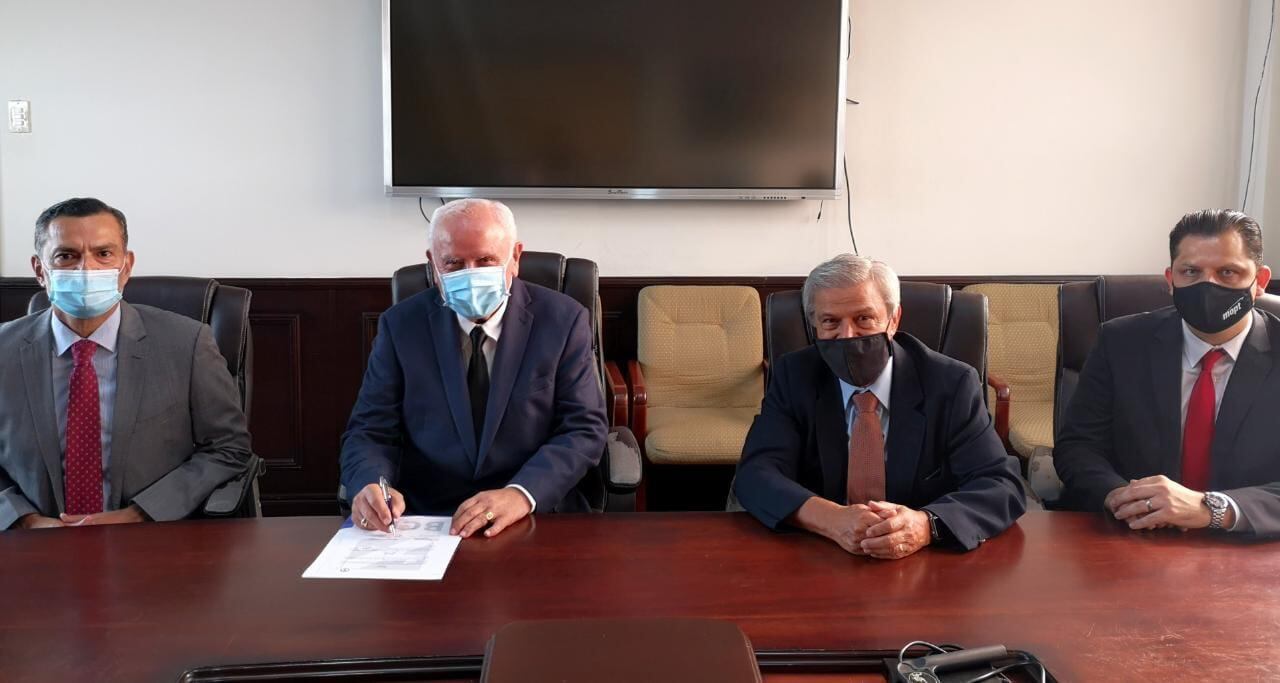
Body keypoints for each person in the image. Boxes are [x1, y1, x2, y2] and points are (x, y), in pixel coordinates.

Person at [340, 198, 607, 539]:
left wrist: (521, 494)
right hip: (428, 518)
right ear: (433, 264)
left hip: (532, 512)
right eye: (453, 264)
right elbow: (370, 429)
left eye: (485, 261)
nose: (470, 275)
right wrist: (370, 484)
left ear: (515, 257)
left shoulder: (563, 320)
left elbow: (583, 428)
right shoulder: (401, 325)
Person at [733, 254, 1025, 559]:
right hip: (819, 552)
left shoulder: (951, 384)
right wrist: (830, 519)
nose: (847, 336)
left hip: (924, 561)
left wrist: (926, 525)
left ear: (893, 319)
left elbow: (1000, 485)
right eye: (830, 321)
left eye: (863, 318)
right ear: (814, 325)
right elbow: (756, 473)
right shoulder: (794, 376)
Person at [0, 197, 253, 530]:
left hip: (149, 536)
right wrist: (25, 521)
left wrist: (139, 515)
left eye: (103, 253)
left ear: (127, 265)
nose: (86, 270)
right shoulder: (5, 350)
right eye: (66, 256)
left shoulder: (186, 343)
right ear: (39, 270)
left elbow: (228, 448)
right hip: (32, 541)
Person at [1055, 209, 1280, 537]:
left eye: (1228, 272)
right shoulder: (1120, 342)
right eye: (1191, 271)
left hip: (1246, 544)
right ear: (1170, 280)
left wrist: (1211, 509)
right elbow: (1078, 446)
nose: (1208, 286)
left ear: (1259, 281)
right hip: (1135, 535)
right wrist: (1120, 496)